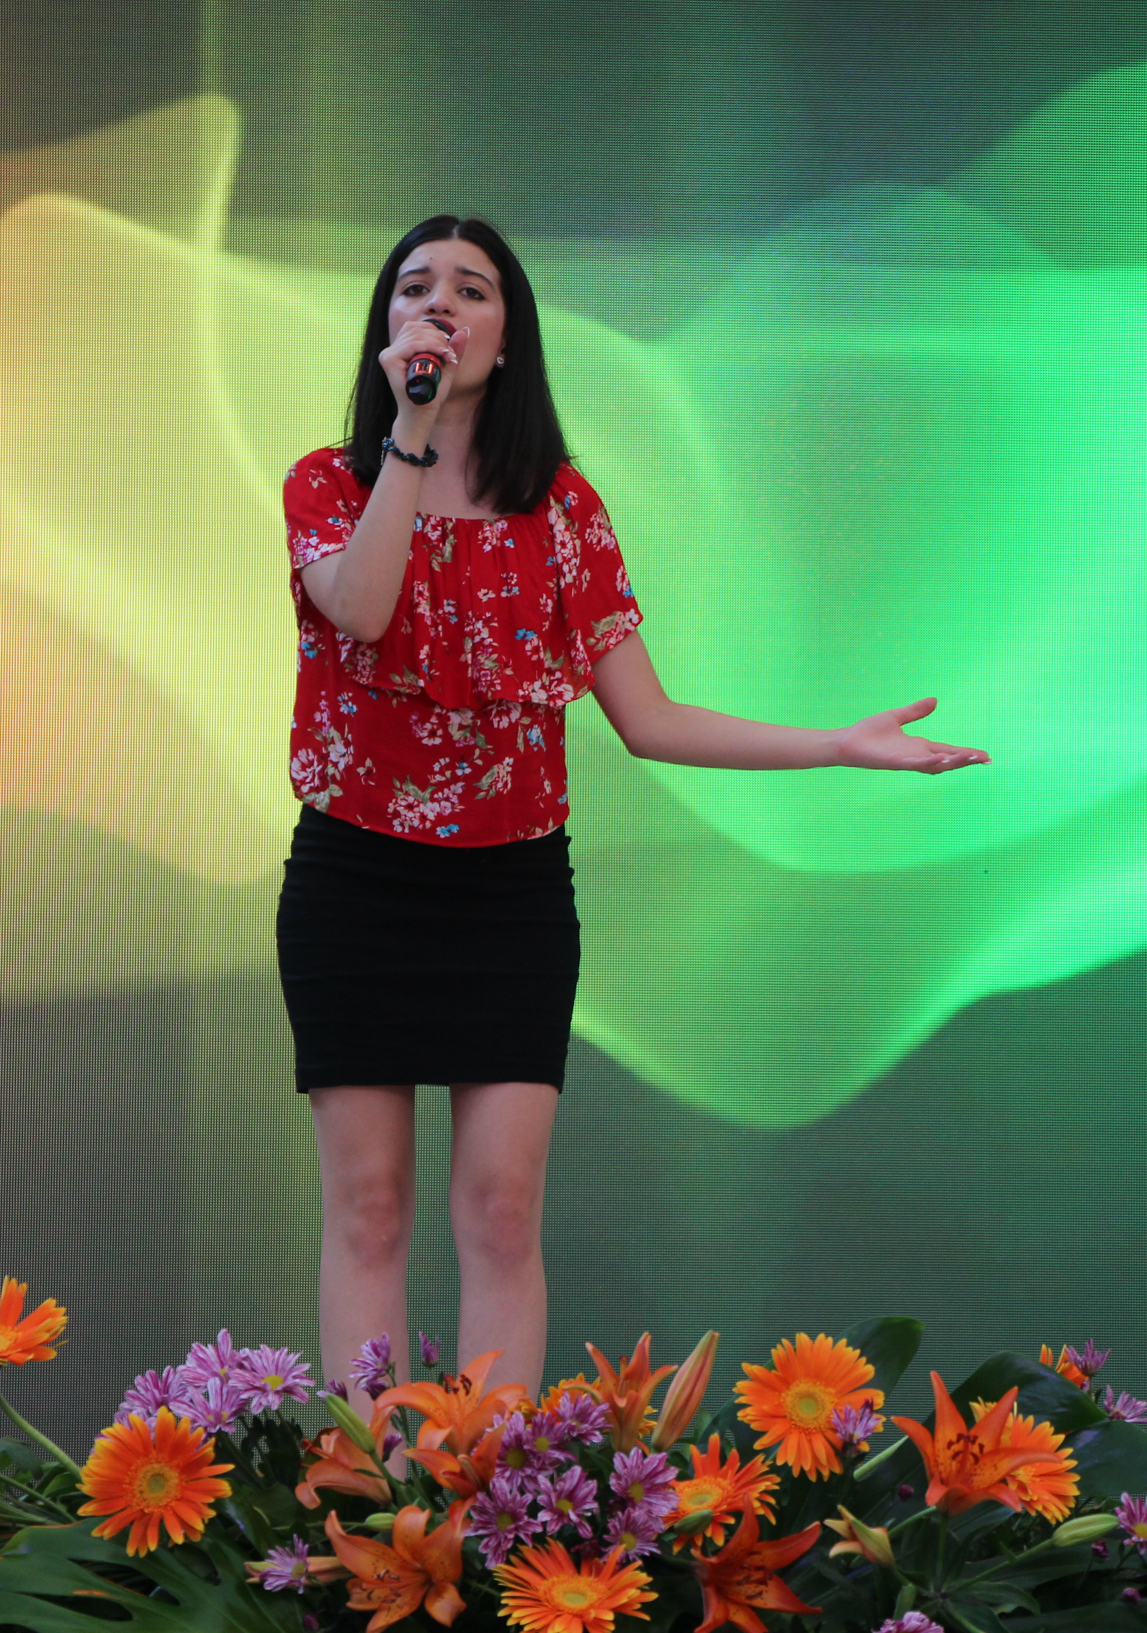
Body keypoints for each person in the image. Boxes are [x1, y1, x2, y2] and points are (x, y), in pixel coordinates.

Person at [276, 214, 987, 1398]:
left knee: (501, 1207)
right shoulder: (327, 483)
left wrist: (835, 746)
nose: (441, 303)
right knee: (370, 1204)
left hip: (508, 892)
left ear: (509, 339)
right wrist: (409, 433)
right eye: (415, 286)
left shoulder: (562, 510)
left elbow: (648, 718)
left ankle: (494, 1484)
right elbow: (359, 607)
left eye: (473, 289)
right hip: (356, 880)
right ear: (385, 328)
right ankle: (372, 1482)